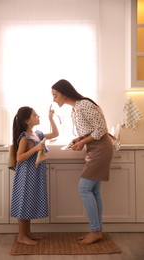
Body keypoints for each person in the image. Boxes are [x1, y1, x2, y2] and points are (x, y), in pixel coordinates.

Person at [51, 79, 113, 245]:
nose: (54, 99)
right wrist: (78, 139)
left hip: (100, 149)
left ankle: (95, 231)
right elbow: (90, 130)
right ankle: (97, 230)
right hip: (95, 148)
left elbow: (101, 129)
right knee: (94, 191)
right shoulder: (76, 108)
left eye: (55, 95)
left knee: (84, 188)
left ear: (64, 93)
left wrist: (82, 143)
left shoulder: (83, 104)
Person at [10, 105, 59, 245]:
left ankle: (28, 233)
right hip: (25, 175)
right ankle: (21, 236)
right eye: (35, 115)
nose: (38, 117)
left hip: (35, 174)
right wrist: (36, 148)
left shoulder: (37, 134)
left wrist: (51, 118)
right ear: (27, 121)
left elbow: (55, 134)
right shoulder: (25, 137)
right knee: (24, 202)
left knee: (29, 202)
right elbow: (19, 158)